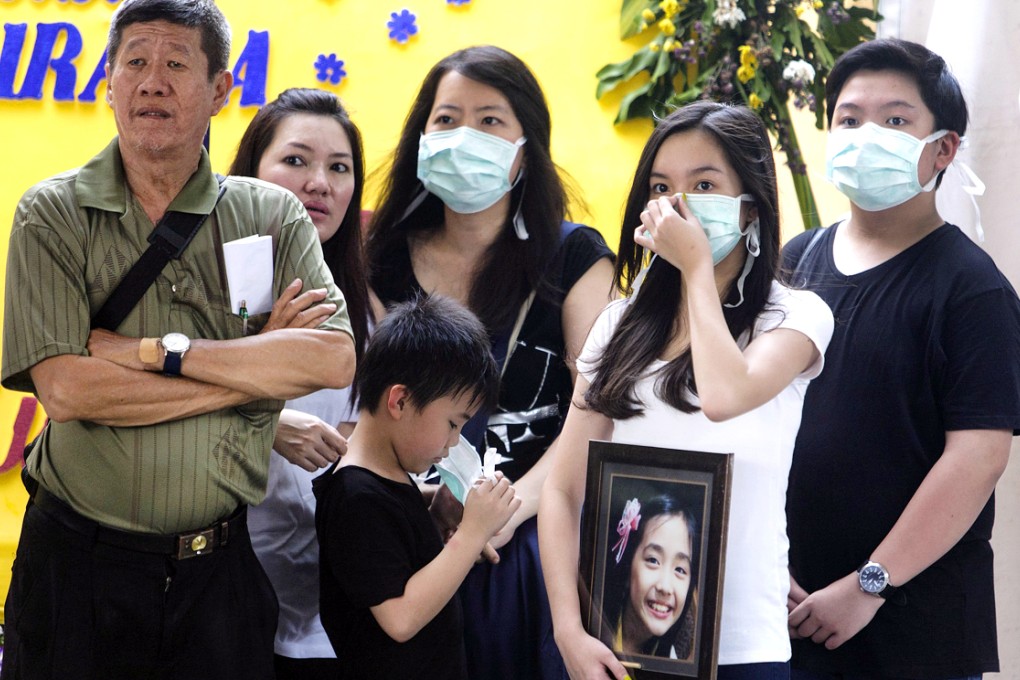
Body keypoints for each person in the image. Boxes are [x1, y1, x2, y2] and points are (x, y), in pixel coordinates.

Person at [0, 1, 356, 678]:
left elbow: (333, 357)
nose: (151, 81)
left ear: (221, 89)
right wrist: (256, 373)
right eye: (134, 61)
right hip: (78, 568)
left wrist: (152, 354)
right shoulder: (51, 215)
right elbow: (68, 390)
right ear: (108, 80)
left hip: (219, 574)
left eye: (175, 63)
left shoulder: (270, 213)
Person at [539, 101, 834, 680]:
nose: (679, 203)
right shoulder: (618, 325)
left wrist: (697, 270)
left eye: (703, 184)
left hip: (745, 650)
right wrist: (568, 630)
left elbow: (725, 396)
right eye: (662, 185)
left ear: (750, 208)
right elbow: (562, 491)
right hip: (623, 647)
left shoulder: (796, 315)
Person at [366, 44, 615, 678]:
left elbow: (597, 411)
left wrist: (505, 513)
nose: (464, 135)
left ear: (524, 152)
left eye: (490, 120)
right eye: (447, 119)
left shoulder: (575, 256)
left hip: (528, 548)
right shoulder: (379, 259)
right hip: (408, 545)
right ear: (421, 138)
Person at [783, 38, 1020, 680]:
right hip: (786, 612)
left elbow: (977, 458)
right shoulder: (794, 262)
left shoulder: (973, 290)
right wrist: (761, 563)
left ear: (941, 149)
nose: (866, 136)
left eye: (894, 120)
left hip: (914, 628)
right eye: (849, 119)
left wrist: (868, 585)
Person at [229, 87, 372, 680]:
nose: (320, 182)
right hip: (212, 592)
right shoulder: (202, 286)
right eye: (296, 160)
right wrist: (270, 420)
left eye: (339, 168)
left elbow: (355, 452)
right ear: (248, 173)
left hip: (319, 613)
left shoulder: (362, 316)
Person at [313, 294, 521, 680]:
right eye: (453, 424)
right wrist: (472, 533)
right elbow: (401, 617)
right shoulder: (355, 499)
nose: (455, 441)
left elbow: (396, 539)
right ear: (401, 400)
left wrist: (434, 509)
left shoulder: (383, 480)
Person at [603, 494, 699, 660]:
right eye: (653, 560)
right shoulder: (593, 633)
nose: (665, 586)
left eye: (680, 570)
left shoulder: (674, 662)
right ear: (628, 566)